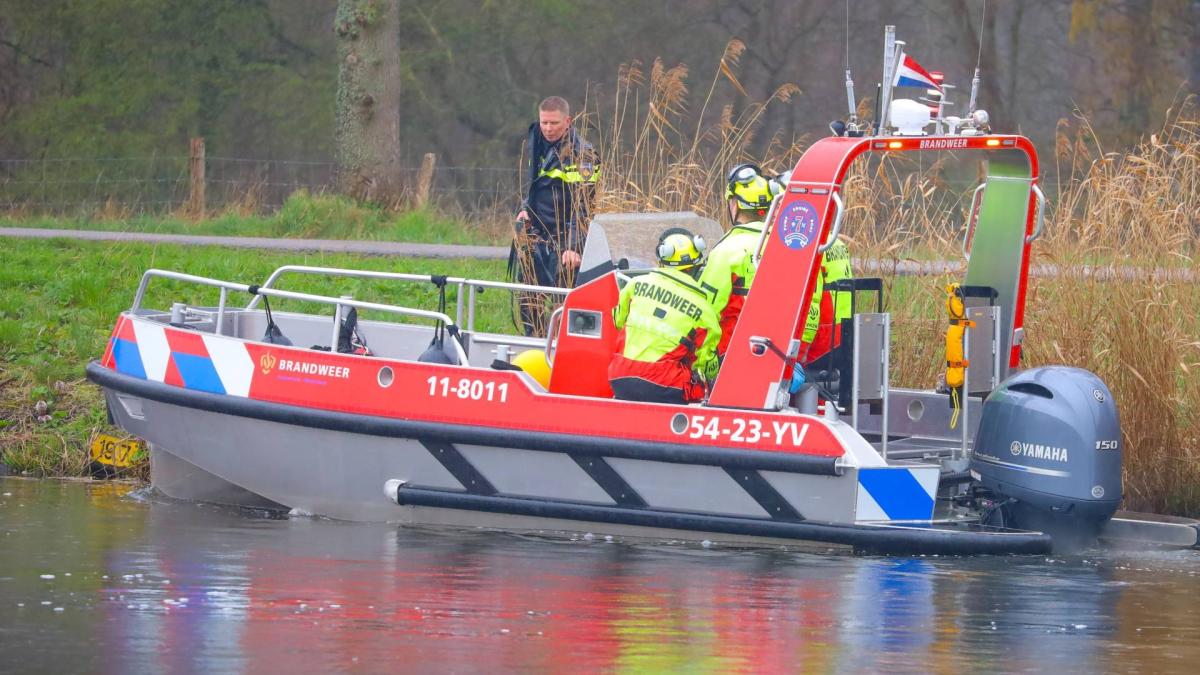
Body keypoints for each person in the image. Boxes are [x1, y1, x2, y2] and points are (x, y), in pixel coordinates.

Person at [512, 96, 600, 336]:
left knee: (564, 305)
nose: (549, 128)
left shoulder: (584, 156)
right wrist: (525, 209)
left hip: (565, 238)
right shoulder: (537, 144)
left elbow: (585, 208)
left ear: (568, 121)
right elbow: (534, 187)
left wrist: (574, 247)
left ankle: (562, 348)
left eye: (554, 123)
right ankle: (533, 343)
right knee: (529, 299)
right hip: (536, 235)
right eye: (544, 122)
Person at [608, 228, 722, 404]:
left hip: (620, 377)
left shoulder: (635, 285)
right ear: (697, 266)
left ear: (662, 261)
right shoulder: (705, 311)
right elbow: (706, 362)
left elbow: (618, 321)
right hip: (666, 386)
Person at [697, 163, 780, 357]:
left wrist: (702, 360)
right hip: (778, 352)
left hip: (734, 355)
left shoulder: (726, 252)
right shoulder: (785, 246)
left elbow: (705, 311)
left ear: (735, 204)